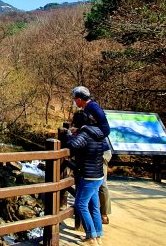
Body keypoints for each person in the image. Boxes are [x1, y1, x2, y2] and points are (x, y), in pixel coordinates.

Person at [72, 86, 112, 225]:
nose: (74, 102)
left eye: (75, 99)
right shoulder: (88, 108)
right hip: (97, 149)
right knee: (97, 185)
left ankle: (104, 214)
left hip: (101, 150)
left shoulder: (93, 107)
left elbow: (106, 129)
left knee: (101, 184)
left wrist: (89, 133)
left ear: (80, 99)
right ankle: (97, 216)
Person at [66, 111, 105, 245]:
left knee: (81, 204)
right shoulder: (98, 133)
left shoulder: (85, 133)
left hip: (88, 176)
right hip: (98, 176)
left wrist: (69, 136)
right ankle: (98, 235)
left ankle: (91, 238)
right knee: (94, 206)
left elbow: (73, 145)